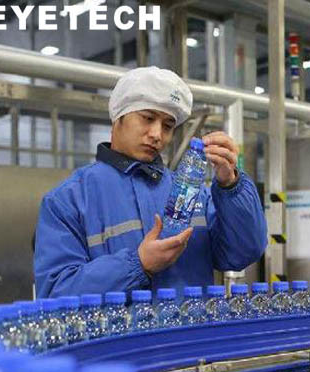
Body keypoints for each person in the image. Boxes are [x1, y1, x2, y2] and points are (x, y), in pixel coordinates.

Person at [34, 67, 267, 297]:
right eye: (147, 118)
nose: (157, 134)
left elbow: (242, 253)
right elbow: (56, 291)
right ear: (118, 117)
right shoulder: (69, 200)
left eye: (167, 125)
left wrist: (230, 186)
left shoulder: (191, 194)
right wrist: (138, 264)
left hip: (190, 324)